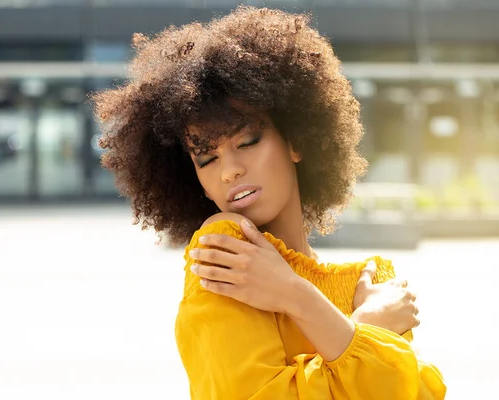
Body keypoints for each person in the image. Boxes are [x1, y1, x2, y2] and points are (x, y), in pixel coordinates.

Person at [92, 5, 446, 399]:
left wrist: (294, 294)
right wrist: (365, 328)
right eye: (206, 159)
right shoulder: (225, 255)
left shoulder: (371, 281)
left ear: (296, 139)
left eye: (247, 142)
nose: (229, 171)